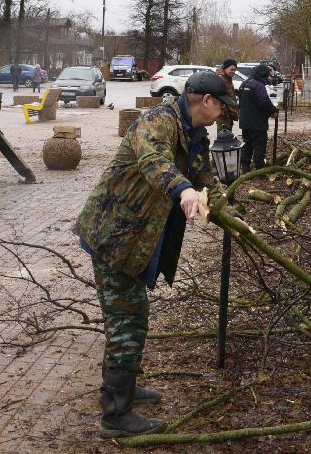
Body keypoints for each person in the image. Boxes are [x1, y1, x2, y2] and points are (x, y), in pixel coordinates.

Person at [75, 70, 236, 438]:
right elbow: (153, 160)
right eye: (222, 106)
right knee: (127, 321)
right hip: (114, 236)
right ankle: (116, 416)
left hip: (134, 238)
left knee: (129, 317)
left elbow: (204, 175)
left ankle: (122, 390)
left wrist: (226, 209)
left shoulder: (193, 133)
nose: (224, 114)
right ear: (206, 102)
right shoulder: (160, 121)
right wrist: (182, 190)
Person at [237, 63, 278, 173]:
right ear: (263, 75)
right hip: (257, 122)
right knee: (259, 144)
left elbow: (240, 102)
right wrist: (273, 111)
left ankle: (245, 167)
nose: (268, 78)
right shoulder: (258, 85)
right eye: (267, 75)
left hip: (245, 122)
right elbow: (264, 102)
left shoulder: (244, 83)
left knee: (247, 144)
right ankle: (259, 169)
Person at [213, 59, 239, 141]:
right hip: (223, 115)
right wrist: (225, 109)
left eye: (235, 70)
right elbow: (216, 97)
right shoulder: (220, 79)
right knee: (223, 140)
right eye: (231, 69)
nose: (233, 72)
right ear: (225, 68)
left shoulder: (227, 78)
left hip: (229, 114)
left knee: (228, 139)